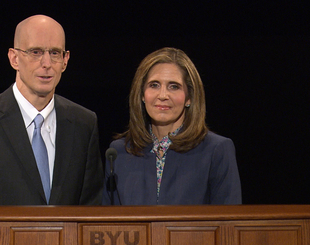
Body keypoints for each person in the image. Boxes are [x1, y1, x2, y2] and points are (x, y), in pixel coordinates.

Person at [0, 15, 104, 205]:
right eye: (36, 52)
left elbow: (91, 211)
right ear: (14, 58)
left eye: (55, 53)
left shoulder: (84, 123)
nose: (47, 63)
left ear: (65, 60)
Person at [103, 47, 241, 205]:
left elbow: (228, 224)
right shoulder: (119, 153)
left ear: (189, 97)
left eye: (174, 86)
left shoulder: (216, 150)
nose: (162, 95)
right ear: (142, 94)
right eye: (154, 85)